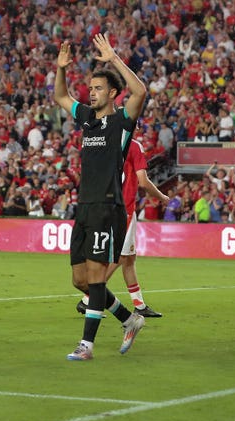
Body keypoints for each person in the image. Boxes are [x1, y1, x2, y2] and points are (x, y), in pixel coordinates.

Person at [54, 33, 147, 361]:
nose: (90, 93)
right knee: (80, 280)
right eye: (90, 88)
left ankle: (87, 346)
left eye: (96, 88)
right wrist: (61, 68)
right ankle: (128, 318)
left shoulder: (122, 121)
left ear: (111, 93)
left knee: (95, 277)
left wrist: (113, 59)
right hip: (84, 207)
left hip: (109, 206)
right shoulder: (87, 119)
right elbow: (60, 96)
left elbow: (140, 91)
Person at [75, 139, 169, 318]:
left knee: (128, 259)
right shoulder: (134, 145)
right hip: (122, 209)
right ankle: (88, 298)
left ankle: (139, 304)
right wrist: (162, 196)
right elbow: (143, 181)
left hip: (106, 205)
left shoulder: (105, 141)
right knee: (119, 258)